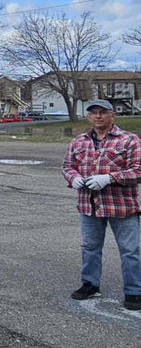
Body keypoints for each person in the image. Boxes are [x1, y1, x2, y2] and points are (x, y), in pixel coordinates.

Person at [63, 100, 141, 311]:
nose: (98, 116)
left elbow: (138, 171)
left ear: (112, 115)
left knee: (130, 250)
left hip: (121, 206)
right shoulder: (79, 141)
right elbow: (68, 166)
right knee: (90, 247)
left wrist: (110, 178)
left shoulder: (129, 140)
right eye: (93, 113)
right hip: (89, 205)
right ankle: (90, 284)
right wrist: (74, 178)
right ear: (88, 117)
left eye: (102, 112)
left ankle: (134, 291)